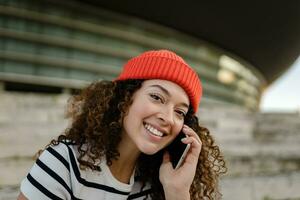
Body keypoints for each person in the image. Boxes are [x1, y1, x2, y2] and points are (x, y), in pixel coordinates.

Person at [18, 50, 226, 200]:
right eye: (157, 97)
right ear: (125, 97)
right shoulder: (65, 163)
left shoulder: (156, 184)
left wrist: (177, 192)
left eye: (179, 112)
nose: (169, 118)